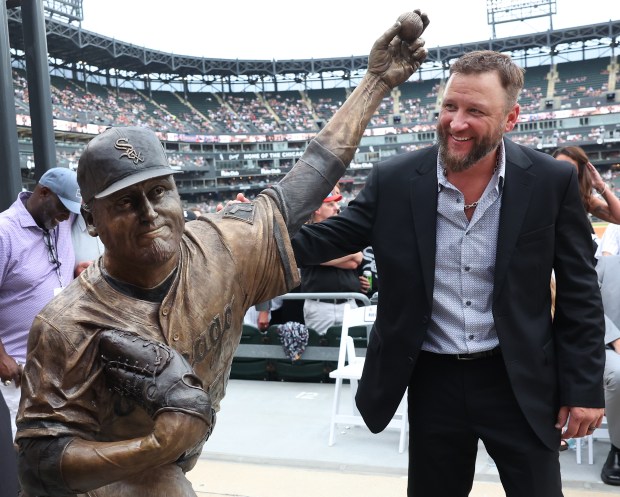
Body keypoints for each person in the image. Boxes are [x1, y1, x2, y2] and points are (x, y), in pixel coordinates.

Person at [15, 15, 429, 497]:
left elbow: (308, 178)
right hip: (91, 487)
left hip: (164, 468)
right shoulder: (66, 324)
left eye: (160, 191)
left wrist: (375, 83)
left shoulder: (223, 247)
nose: (150, 212)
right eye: (127, 202)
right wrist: (156, 445)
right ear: (91, 220)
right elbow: (39, 461)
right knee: (164, 484)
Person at [292, 49, 606, 496]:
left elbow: (580, 291)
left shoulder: (550, 181)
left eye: (476, 111)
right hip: (432, 378)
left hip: (519, 379)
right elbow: (321, 240)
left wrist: (585, 387)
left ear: (511, 117)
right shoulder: (396, 179)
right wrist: (243, 232)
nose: (456, 123)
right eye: (449, 107)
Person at [0, 167, 81, 435]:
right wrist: (0, 356)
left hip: (66, 364)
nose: (66, 216)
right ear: (43, 192)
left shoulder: (60, 221)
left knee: (68, 448)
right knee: (34, 452)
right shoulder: (4, 232)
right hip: (22, 371)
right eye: (62, 207)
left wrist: (79, 271)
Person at [300, 190, 365, 335]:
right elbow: (308, 257)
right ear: (316, 208)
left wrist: (320, 257)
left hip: (349, 303)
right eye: (330, 204)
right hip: (319, 306)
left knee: (352, 353)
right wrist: (346, 254)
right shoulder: (306, 232)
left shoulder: (343, 231)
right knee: (321, 353)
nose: (337, 207)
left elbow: (357, 260)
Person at [595, 255, 620, 486]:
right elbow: (586, 303)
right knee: (619, 374)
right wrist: (616, 337)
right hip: (608, 346)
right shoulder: (608, 265)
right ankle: (618, 447)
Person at [552, 145, 620, 225]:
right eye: (558, 166)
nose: (562, 170)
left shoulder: (583, 198)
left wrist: (600, 185)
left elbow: (618, 218)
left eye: (569, 167)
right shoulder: (542, 192)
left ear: (579, 171)